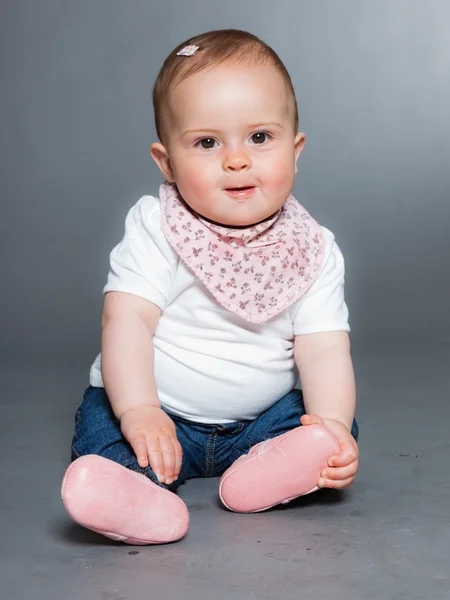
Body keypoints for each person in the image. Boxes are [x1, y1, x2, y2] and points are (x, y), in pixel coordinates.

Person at [61, 29, 359, 545]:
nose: (237, 160)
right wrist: (139, 410)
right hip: (160, 415)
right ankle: (138, 498)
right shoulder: (158, 226)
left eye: (260, 137)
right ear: (166, 162)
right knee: (101, 427)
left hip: (259, 422)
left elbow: (325, 347)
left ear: (296, 147)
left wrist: (331, 422)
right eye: (206, 142)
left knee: (328, 431)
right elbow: (126, 320)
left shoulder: (312, 248)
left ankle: (266, 473)